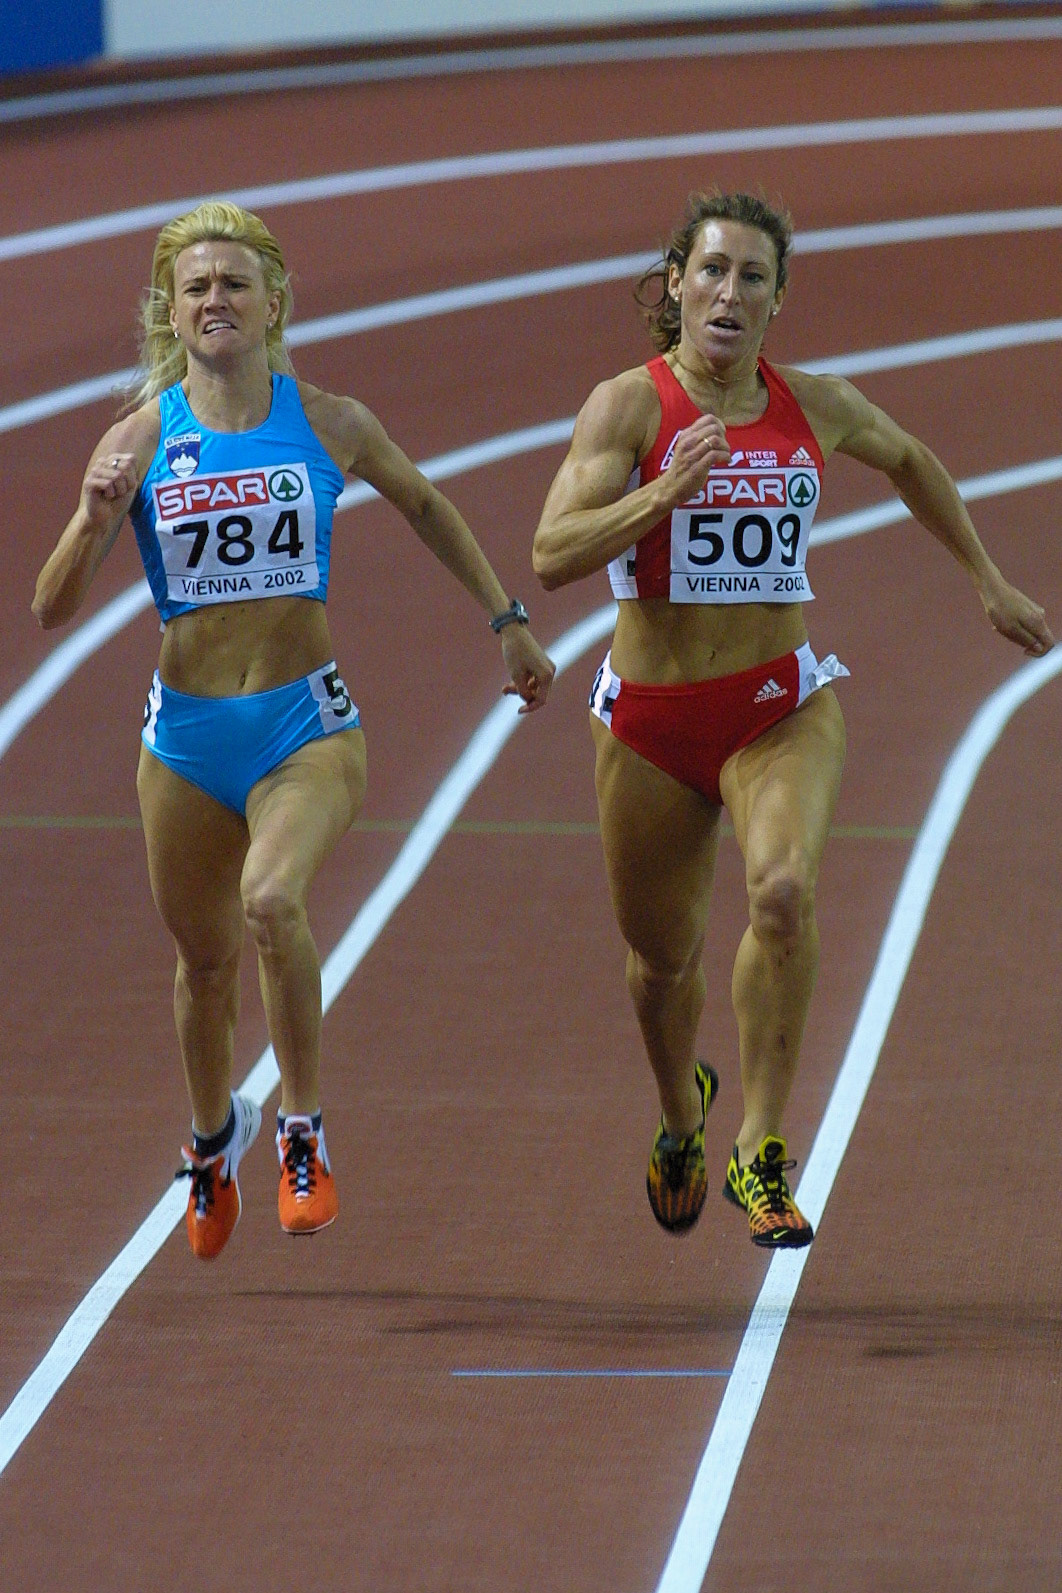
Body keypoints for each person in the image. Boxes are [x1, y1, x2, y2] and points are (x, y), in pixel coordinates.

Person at [33, 201, 555, 1261]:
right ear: (170, 313)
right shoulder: (138, 440)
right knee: (203, 964)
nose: (216, 300)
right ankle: (212, 1137)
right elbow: (51, 608)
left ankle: (303, 1131)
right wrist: (91, 519)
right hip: (184, 742)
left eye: (234, 282)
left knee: (271, 900)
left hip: (302, 724)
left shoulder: (329, 421)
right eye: (195, 287)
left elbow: (425, 505)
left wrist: (507, 623)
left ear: (274, 301)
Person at [532, 190, 1052, 1249]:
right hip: (650, 724)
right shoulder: (627, 409)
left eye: (753, 276)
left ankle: (761, 1147)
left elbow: (910, 460)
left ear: (778, 299)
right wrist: (660, 495)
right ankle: (683, 1111)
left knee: (781, 892)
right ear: (675, 285)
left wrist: (987, 579)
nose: (730, 293)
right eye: (712, 271)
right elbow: (550, 555)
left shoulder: (815, 404)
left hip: (778, 703)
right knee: (660, 964)